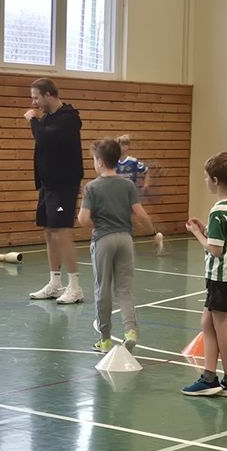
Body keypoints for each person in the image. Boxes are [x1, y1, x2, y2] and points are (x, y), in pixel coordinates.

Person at [78, 139, 154, 353]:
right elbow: (140, 213)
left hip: (103, 239)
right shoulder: (128, 185)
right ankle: (130, 331)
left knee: (103, 289)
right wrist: (153, 232)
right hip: (126, 239)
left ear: (100, 162)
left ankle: (105, 340)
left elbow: (83, 220)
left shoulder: (92, 187)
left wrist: (101, 221)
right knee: (125, 289)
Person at [181, 152, 227, 397]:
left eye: (206, 177)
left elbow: (216, 249)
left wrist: (197, 234)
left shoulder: (218, 210)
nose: (204, 180)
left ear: (216, 180)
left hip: (221, 274)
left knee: (220, 324)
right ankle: (211, 376)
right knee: (207, 322)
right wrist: (207, 228)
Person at [25, 77, 85, 304]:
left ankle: (75, 286)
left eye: (36, 97)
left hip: (64, 185)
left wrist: (33, 120)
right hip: (48, 186)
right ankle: (55, 283)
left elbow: (44, 138)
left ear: (49, 94)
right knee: (49, 231)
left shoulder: (68, 118)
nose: (34, 103)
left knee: (62, 231)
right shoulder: (49, 118)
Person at [115, 134, 164, 253]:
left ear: (128, 147)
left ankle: (154, 235)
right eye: (120, 144)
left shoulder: (133, 161)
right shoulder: (114, 162)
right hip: (117, 194)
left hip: (130, 193)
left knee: (137, 216)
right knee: (125, 217)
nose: (122, 147)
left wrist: (146, 185)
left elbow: (146, 171)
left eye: (125, 145)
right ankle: (127, 239)